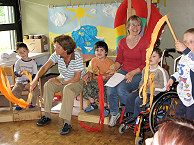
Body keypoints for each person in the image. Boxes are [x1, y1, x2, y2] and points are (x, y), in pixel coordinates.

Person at [30, 35, 87, 135]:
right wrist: (34, 81)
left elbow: (77, 78)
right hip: (64, 78)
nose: (54, 48)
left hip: (78, 81)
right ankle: (47, 115)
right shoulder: (56, 54)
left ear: (66, 49)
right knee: (48, 85)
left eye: (57, 47)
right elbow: (44, 68)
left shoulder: (76, 55)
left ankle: (67, 122)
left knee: (68, 89)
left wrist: (60, 82)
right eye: (55, 46)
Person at [106, 15, 149, 127]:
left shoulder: (144, 42)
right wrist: (114, 68)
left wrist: (132, 73)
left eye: (138, 25)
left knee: (121, 88)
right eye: (133, 24)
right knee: (110, 87)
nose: (135, 27)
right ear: (128, 27)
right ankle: (115, 113)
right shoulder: (122, 42)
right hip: (124, 70)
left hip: (139, 72)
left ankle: (130, 115)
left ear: (141, 27)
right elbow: (119, 60)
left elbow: (145, 64)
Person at [120, 47, 169, 128]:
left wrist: (152, 85)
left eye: (154, 56)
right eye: (149, 56)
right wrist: (142, 87)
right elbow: (141, 81)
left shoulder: (161, 72)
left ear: (159, 59)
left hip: (155, 94)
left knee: (139, 100)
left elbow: (164, 87)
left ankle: (137, 119)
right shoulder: (145, 70)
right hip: (144, 91)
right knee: (131, 96)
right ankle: (130, 116)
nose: (150, 58)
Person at [166, 28, 194, 121]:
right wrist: (173, 78)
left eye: (191, 42)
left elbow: (192, 63)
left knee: (189, 122)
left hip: (192, 98)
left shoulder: (190, 58)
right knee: (179, 118)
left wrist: (186, 51)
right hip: (183, 95)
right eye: (185, 41)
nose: (187, 44)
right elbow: (181, 71)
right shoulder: (182, 58)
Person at [82, 41, 114, 117]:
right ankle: (93, 104)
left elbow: (112, 74)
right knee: (86, 86)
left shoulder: (110, 62)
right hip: (95, 80)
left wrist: (105, 76)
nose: (99, 52)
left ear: (106, 52)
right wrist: (87, 74)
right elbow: (90, 71)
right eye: (97, 50)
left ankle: (105, 107)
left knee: (104, 90)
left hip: (106, 81)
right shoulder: (93, 61)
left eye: (101, 50)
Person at [12, 42, 39, 110]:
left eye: (24, 51)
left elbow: (35, 74)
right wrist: (19, 73)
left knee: (35, 90)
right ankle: (19, 103)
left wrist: (31, 83)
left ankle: (31, 103)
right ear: (18, 54)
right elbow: (15, 71)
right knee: (14, 91)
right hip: (20, 81)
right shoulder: (18, 62)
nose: (23, 54)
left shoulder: (33, 62)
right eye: (20, 53)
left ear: (28, 51)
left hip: (30, 81)